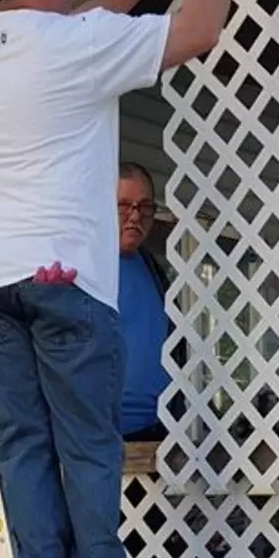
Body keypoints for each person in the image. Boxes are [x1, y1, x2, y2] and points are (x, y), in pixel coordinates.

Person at [0, 0, 242, 558]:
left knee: (27, 442)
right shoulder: (72, 48)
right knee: (88, 443)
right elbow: (199, 30)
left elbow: (79, 24)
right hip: (61, 276)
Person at [117, 162, 169, 442]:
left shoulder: (150, 265)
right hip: (103, 436)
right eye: (123, 205)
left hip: (160, 430)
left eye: (145, 207)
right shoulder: (84, 266)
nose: (135, 216)